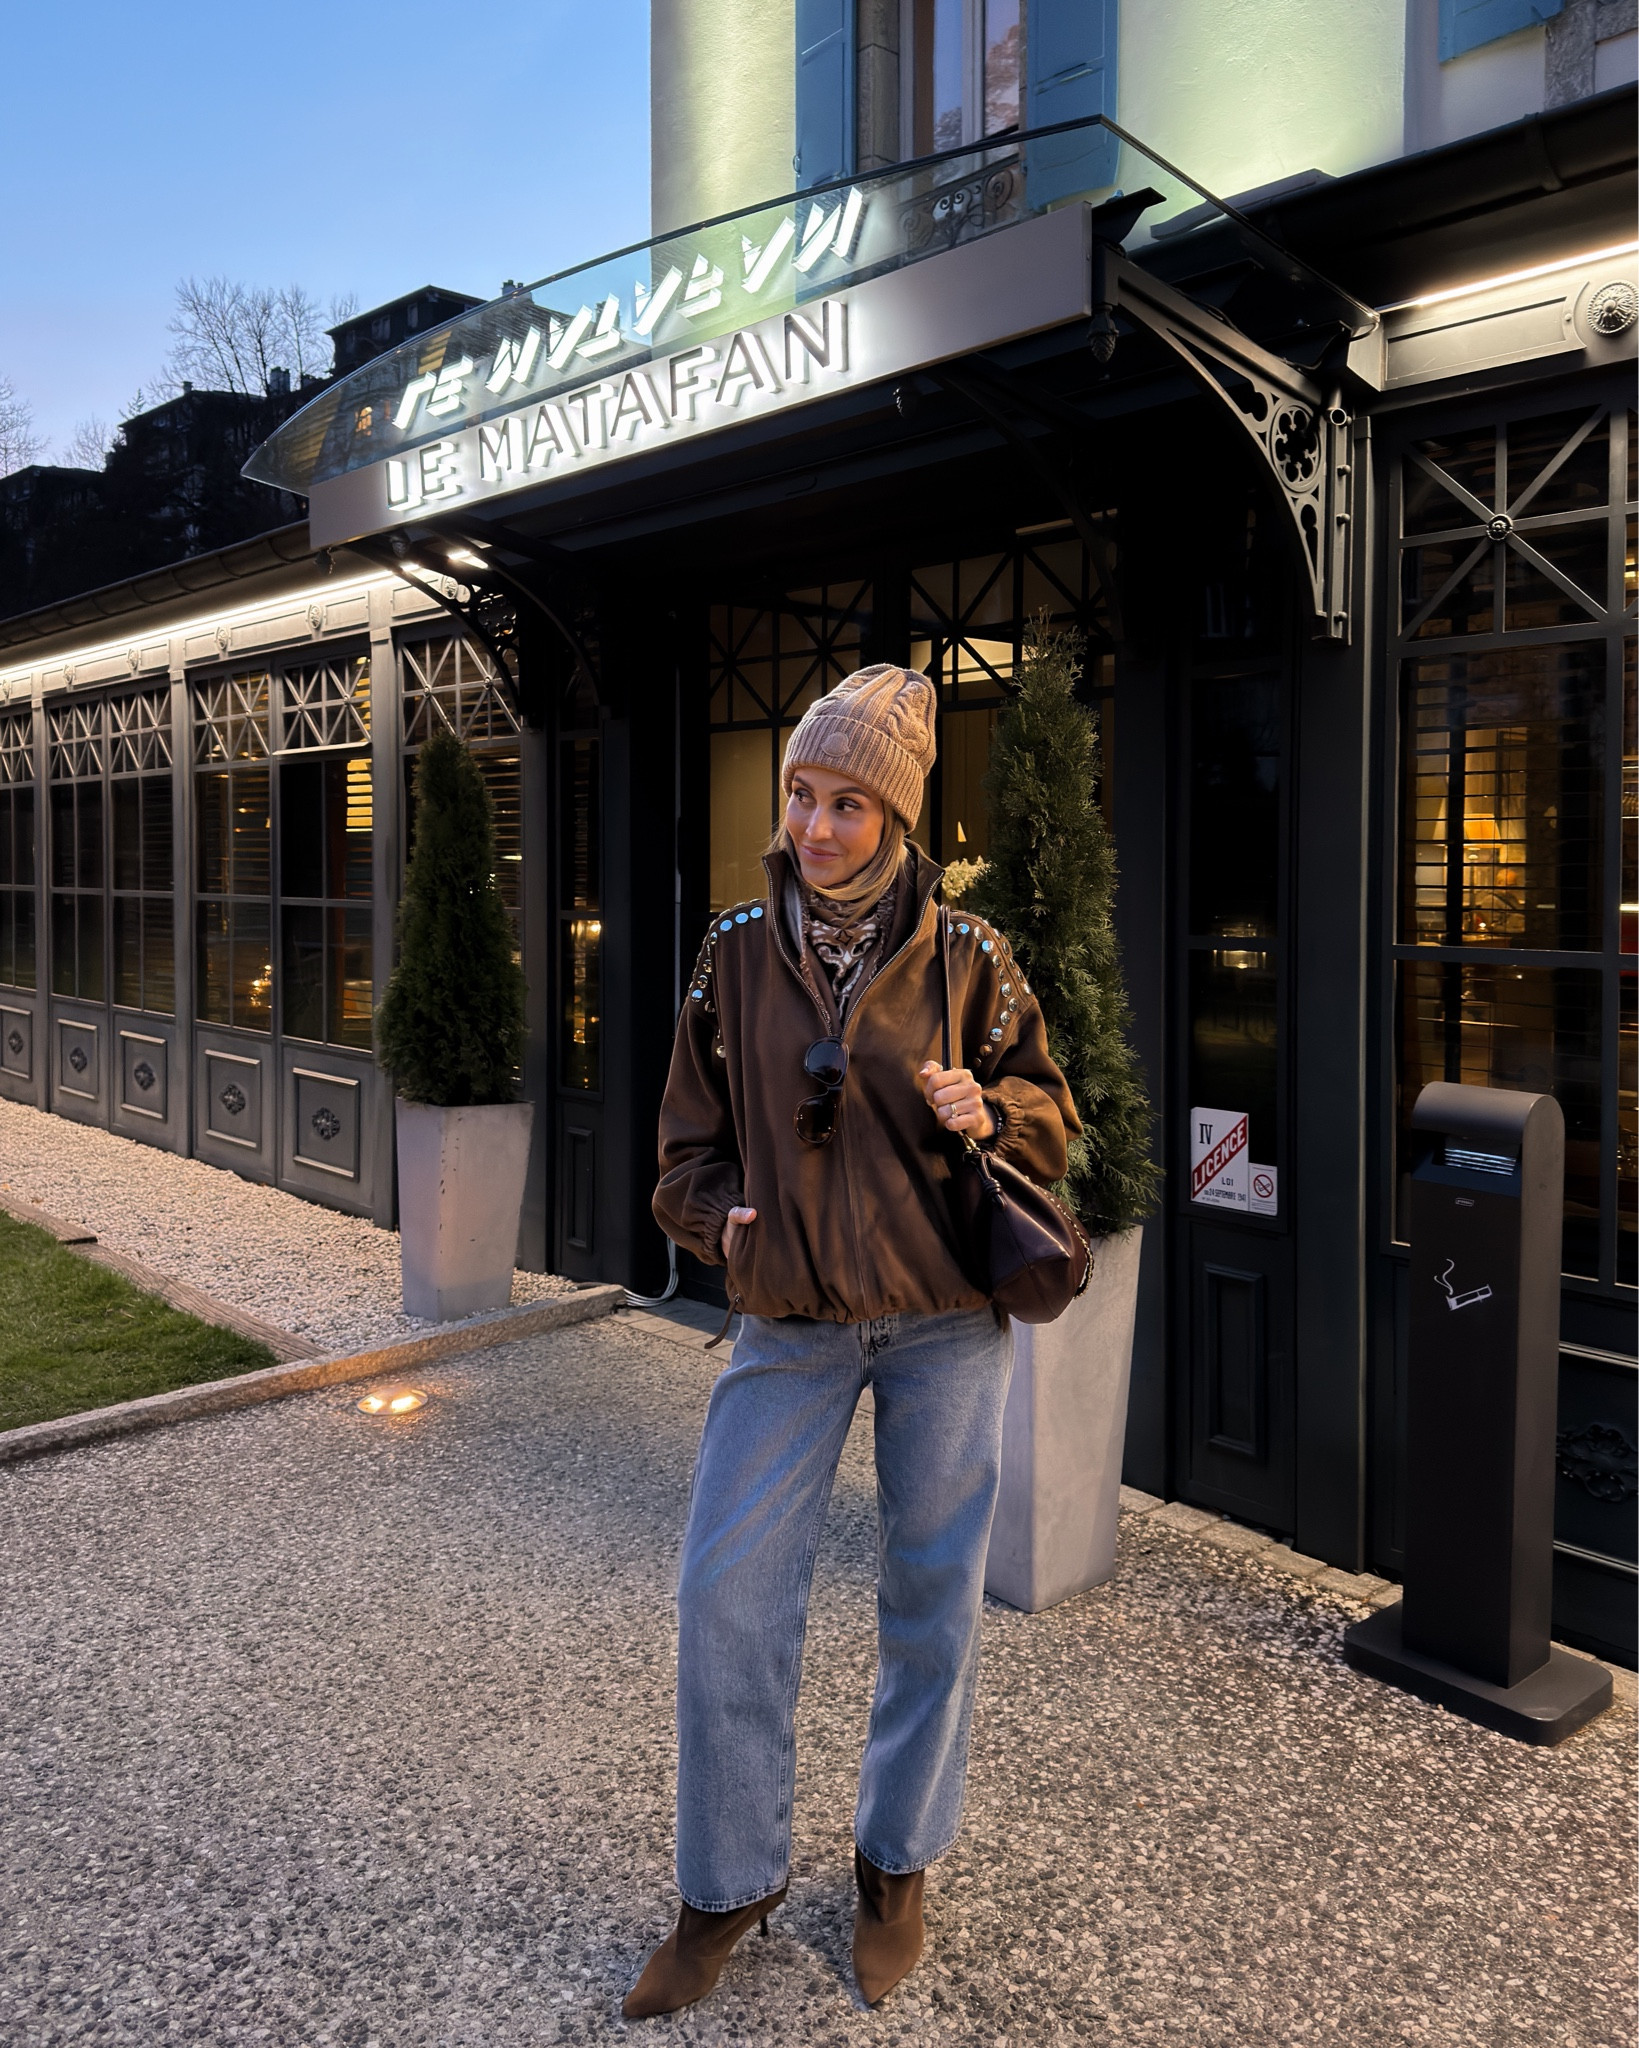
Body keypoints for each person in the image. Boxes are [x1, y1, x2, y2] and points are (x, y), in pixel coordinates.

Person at [625, 664, 1079, 2018]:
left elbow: (1055, 1114)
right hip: (790, 1321)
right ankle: (727, 1884)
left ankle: (896, 1866)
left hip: (945, 1322)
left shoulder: (969, 959)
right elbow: (678, 1158)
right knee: (726, 1597)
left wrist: (983, 1112)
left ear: (897, 817)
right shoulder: (731, 953)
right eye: (803, 796)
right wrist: (729, 1221)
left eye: (849, 806)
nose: (819, 828)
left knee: (930, 1599)